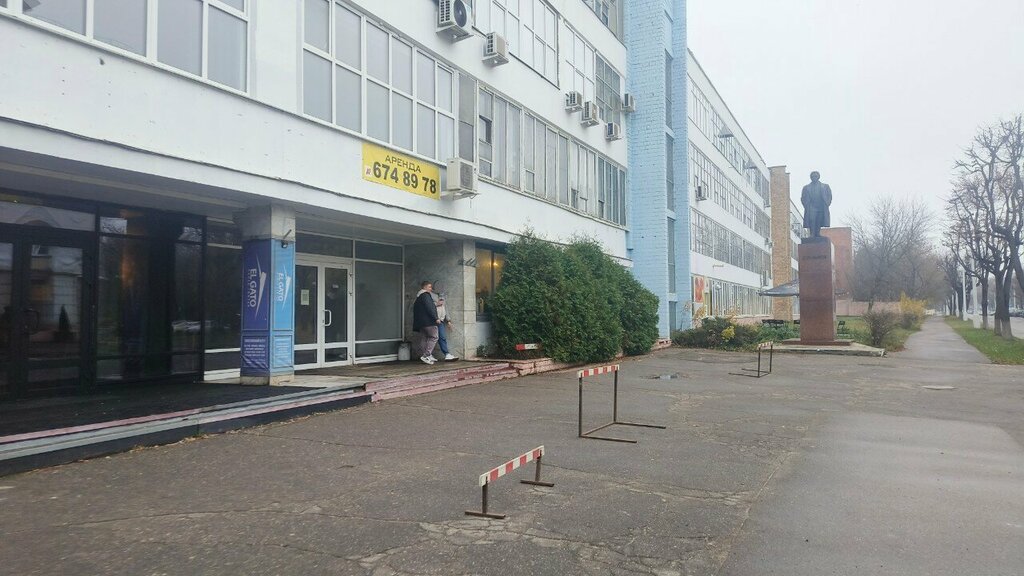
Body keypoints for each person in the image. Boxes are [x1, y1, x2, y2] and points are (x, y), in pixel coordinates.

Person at [412, 280, 441, 364]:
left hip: (421, 323)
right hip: (429, 322)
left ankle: (426, 355)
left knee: (424, 338)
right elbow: (430, 308)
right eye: (429, 287)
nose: (431, 289)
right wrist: (436, 318)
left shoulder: (418, 297)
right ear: (424, 287)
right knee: (434, 337)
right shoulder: (426, 295)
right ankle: (426, 355)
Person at [800, 171, 833, 238]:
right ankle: (812, 234)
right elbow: (803, 197)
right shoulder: (806, 187)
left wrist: (827, 203)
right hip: (811, 206)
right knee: (812, 220)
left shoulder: (825, 186)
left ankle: (817, 233)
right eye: (812, 176)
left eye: (815, 176)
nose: (814, 177)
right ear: (810, 177)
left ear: (818, 177)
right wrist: (806, 205)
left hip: (821, 206)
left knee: (819, 220)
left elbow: (829, 195)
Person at [435, 295, 459, 361]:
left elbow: (446, 311)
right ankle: (427, 355)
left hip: (441, 322)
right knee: (431, 339)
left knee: (442, 337)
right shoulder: (431, 298)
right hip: (433, 322)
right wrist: (436, 304)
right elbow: (429, 309)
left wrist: (448, 321)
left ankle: (447, 354)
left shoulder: (444, 301)